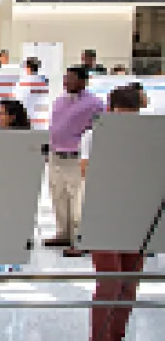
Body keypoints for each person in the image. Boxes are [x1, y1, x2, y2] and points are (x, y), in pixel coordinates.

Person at [86, 86, 144, 341]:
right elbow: (87, 173)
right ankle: (99, 337)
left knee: (129, 283)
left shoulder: (147, 138)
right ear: (110, 111)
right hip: (104, 215)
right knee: (110, 281)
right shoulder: (94, 136)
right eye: (121, 115)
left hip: (137, 215)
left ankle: (117, 335)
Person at [46, 65, 105, 257]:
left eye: (70, 78)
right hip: (56, 155)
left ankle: (80, 240)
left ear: (83, 81)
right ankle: (64, 233)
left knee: (78, 199)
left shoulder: (95, 104)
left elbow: (100, 130)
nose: (66, 82)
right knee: (58, 195)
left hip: (76, 157)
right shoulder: (59, 101)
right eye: (65, 78)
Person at [0, 99, 31, 273]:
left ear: (12, 117)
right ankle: (0, 261)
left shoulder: (25, 139)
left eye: (0, 114)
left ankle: (15, 261)